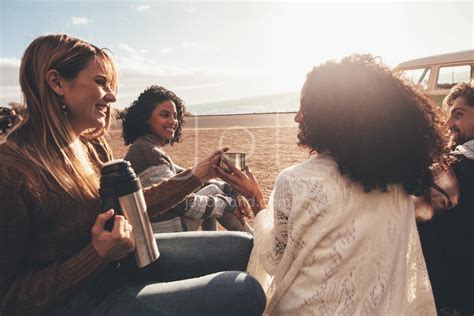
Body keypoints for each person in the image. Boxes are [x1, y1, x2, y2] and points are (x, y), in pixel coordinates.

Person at [0, 34, 265, 316]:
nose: (112, 96)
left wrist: (199, 174)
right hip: (83, 301)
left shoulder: (90, 144)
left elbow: (133, 205)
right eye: (101, 82)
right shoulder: (13, 173)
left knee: (245, 244)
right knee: (243, 291)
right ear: (56, 82)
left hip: (123, 260)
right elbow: (8, 298)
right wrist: (96, 255)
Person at [217, 54, 445, 315]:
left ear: (331, 114)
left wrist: (256, 199)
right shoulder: (397, 181)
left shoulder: (297, 180)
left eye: (305, 107)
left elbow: (274, 260)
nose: (297, 118)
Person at [122, 85, 252, 233]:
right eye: (165, 115)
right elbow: (183, 205)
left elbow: (187, 179)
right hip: (165, 235)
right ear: (145, 118)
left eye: (175, 116)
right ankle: (253, 239)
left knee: (214, 190)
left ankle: (220, 239)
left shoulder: (147, 147)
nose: (173, 121)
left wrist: (232, 190)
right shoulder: (147, 151)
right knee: (215, 194)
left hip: (167, 229)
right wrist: (230, 203)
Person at [415, 82, 474, 315]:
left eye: (458, 115)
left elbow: (409, 212)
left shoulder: (456, 168)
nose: (449, 125)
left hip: (453, 299)